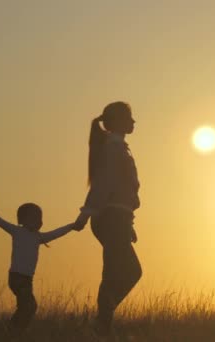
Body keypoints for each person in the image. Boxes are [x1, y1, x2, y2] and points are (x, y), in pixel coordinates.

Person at [0, 184, 78, 336]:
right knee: (28, 306)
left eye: (39, 217)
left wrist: (72, 226)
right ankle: (13, 331)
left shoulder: (38, 237)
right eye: (34, 217)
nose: (38, 220)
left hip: (27, 279)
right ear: (23, 219)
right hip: (17, 278)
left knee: (29, 307)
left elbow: (56, 233)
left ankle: (15, 330)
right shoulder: (17, 231)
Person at [75, 101, 142, 336]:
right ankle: (101, 322)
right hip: (111, 218)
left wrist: (128, 223)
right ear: (115, 122)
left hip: (118, 219)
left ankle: (102, 325)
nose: (133, 122)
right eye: (128, 118)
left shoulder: (119, 148)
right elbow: (103, 185)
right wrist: (85, 215)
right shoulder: (113, 150)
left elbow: (119, 189)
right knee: (130, 271)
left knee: (115, 271)